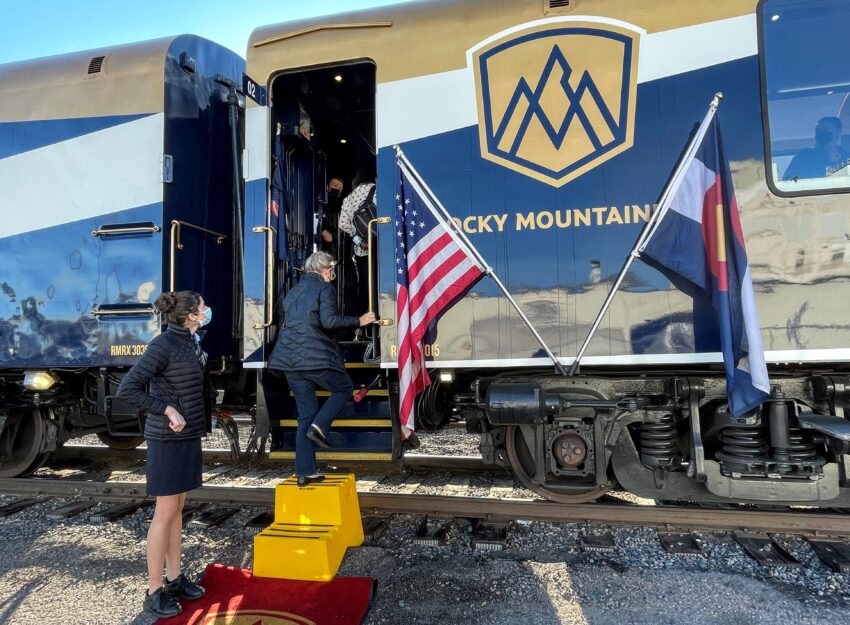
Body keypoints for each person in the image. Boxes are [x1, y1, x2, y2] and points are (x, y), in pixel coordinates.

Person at [117, 291, 212, 619]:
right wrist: (167, 408)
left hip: (187, 436)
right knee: (164, 512)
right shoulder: (163, 345)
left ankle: (174, 579)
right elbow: (128, 388)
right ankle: (154, 590)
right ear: (190, 315)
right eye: (202, 308)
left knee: (177, 510)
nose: (205, 311)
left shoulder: (189, 340)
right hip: (167, 440)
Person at [268, 251, 376, 486]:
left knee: (304, 416)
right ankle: (320, 427)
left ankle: (305, 472)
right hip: (315, 358)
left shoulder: (294, 290)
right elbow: (329, 322)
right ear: (326, 270)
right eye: (332, 270)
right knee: (344, 388)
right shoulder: (325, 288)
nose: (332, 274)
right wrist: (360, 320)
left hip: (289, 361)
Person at [338, 165, 376, 320]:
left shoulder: (350, 196)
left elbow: (343, 224)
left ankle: (363, 323)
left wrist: (360, 241)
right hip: (380, 247)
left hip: (363, 250)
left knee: (365, 286)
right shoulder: (376, 190)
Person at [784, 116, 849, 181]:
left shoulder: (846, 157)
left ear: (838, 132)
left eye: (825, 130)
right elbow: (788, 179)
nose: (820, 133)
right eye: (817, 130)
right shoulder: (804, 155)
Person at [320, 177, 344, 255]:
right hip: (321, 245)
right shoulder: (320, 204)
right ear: (327, 187)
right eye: (334, 185)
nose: (337, 189)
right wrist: (322, 230)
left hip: (335, 248)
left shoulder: (340, 208)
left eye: (340, 189)